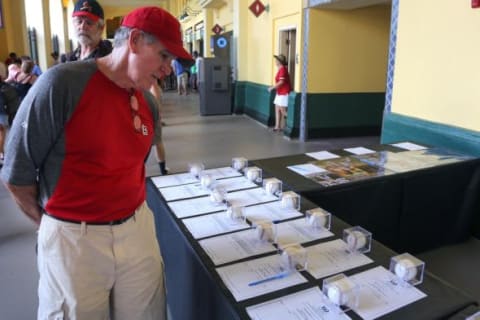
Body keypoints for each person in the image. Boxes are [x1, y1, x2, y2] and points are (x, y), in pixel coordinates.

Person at [0, 6, 191, 319]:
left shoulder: (148, 105)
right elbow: (16, 174)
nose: (169, 69)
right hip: (74, 241)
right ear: (136, 41)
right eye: (164, 56)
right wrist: (54, 226)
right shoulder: (61, 85)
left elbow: (132, 167)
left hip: (137, 231)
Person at [269, 54, 292, 132]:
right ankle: (277, 126)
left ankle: (293, 122)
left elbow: (281, 82)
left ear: (279, 61)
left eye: (276, 60)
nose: (275, 61)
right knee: (277, 108)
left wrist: (272, 87)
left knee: (283, 110)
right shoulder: (280, 69)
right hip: (280, 92)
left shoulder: (283, 69)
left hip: (284, 92)